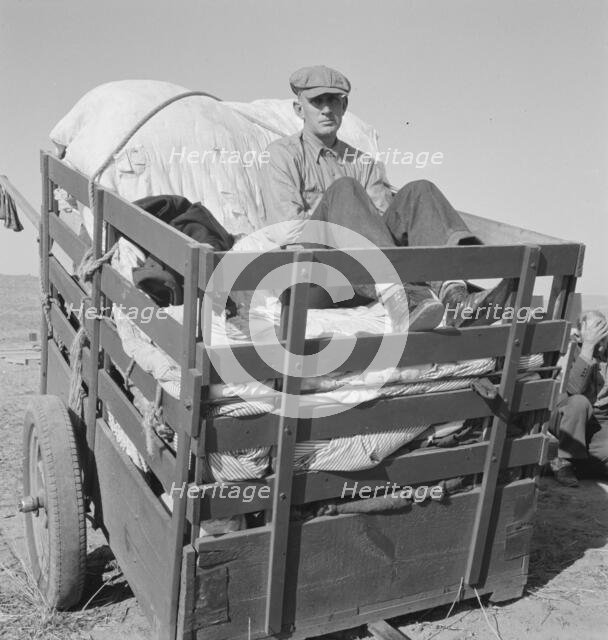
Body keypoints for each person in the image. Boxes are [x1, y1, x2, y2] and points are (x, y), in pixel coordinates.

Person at [260, 65, 511, 332]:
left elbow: (383, 230)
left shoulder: (363, 162)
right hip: (315, 276)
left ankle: (455, 300)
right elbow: (288, 234)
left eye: (333, 100)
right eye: (317, 101)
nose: (326, 109)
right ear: (300, 109)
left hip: (364, 277)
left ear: (344, 107)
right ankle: (407, 298)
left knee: (419, 190)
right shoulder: (282, 155)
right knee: (344, 190)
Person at [550, 310, 608, 486]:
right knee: (579, 402)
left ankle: (577, 466)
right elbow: (574, 389)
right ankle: (565, 461)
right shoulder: (569, 352)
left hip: (599, 422)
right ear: (580, 335)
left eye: (602, 330)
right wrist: (588, 346)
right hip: (568, 415)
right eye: (593, 330)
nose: (599, 336)